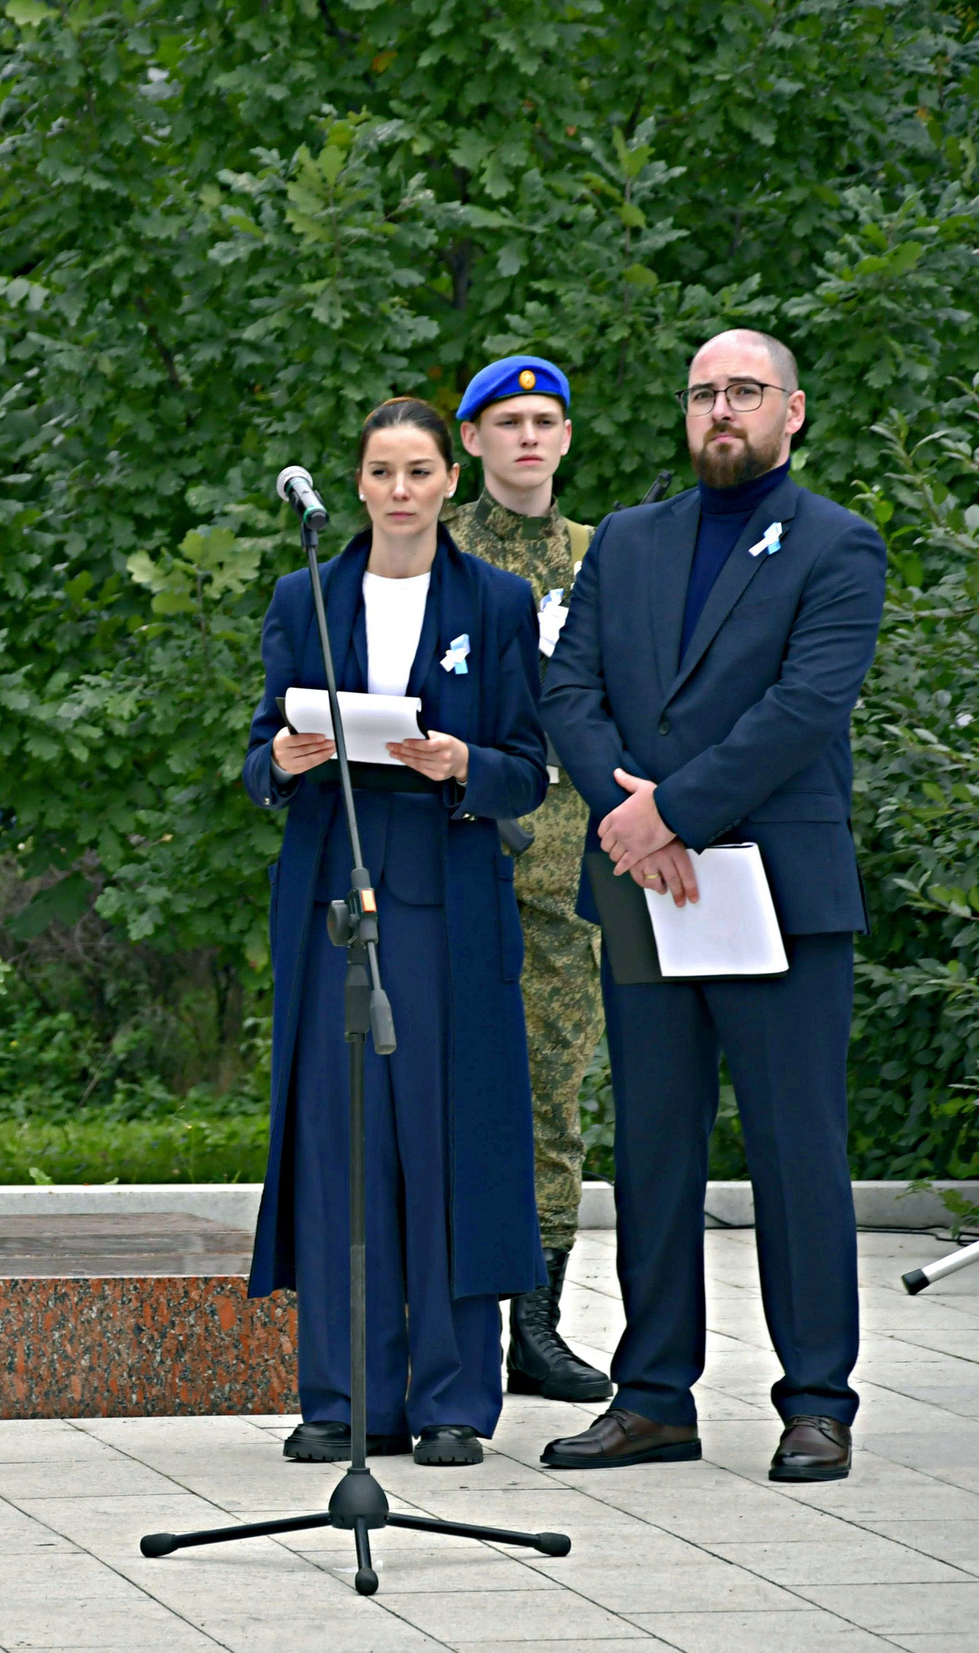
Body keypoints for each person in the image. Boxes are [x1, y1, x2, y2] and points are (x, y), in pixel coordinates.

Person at [538, 330, 885, 1482]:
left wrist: (669, 809)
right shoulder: (630, 541)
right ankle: (652, 1398)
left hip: (776, 890)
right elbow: (569, 689)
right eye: (702, 394)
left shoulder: (837, 543)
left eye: (744, 392)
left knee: (795, 1148)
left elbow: (805, 706)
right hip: (647, 887)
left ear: (793, 412)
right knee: (651, 1148)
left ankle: (816, 1399)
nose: (720, 410)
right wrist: (627, 819)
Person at [244, 397, 549, 1468]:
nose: (401, 490)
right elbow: (255, 749)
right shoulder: (306, 596)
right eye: (381, 472)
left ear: (448, 483)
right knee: (343, 1151)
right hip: (334, 903)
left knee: (444, 1142)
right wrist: (278, 763)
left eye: (419, 470)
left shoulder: (496, 601)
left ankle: (453, 1397)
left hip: (444, 908)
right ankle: (342, 1396)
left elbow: (528, 764)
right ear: (360, 483)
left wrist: (462, 763)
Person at [445, 356, 615, 1404]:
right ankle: (436, 1313)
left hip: (569, 861)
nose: (526, 439)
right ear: (470, 440)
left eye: (544, 420)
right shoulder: (432, 549)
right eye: (506, 421)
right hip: (455, 844)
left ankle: (538, 1324)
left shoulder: (603, 558)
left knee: (552, 1086)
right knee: (437, 1080)